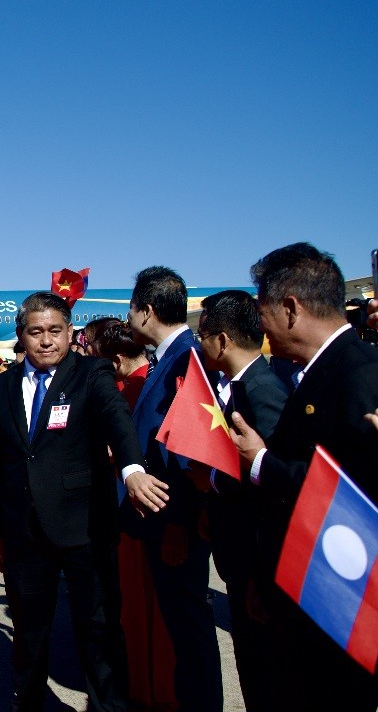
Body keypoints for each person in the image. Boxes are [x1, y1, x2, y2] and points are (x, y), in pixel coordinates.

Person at [0, 292, 167, 712]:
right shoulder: (3, 385)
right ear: (21, 336)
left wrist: (131, 468)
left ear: (70, 333)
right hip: (24, 531)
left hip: (85, 526)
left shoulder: (91, 372)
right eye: (36, 332)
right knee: (29, 631)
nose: (46, 340)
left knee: (98, 628)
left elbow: (117, 419)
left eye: (55, 330)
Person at [230, 243, 378, 711]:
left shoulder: (359, 374)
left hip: (335, 604)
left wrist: (260, 462)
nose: (262, 329)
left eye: (263, 314)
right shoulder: (314, 373)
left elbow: (356, 494)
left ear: (290, 309)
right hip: (298, 592)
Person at [126, 266, 223, 712]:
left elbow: (189, 455)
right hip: (164, 518)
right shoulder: (171, 356)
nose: (129, 319)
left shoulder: (185, 359)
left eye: (132, 309)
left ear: (146, 311)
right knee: (181, 629)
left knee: (189, 629)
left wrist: (179, 525)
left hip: (173, 521)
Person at [196, 289, 287, 712]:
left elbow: (273, 486)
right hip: (238, 553)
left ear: (223, 340)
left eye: (203, 336)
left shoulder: (262, 390)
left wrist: (215, 481)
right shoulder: (235, 385)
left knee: (267, 669)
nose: (200, 345)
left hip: (257, 557)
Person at [99, 320, 177, 710]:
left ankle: (149, 687)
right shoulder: (139, 382)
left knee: (143, 604)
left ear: (114, 360)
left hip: (138, 510)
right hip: (136, 510)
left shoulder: (135, 388)